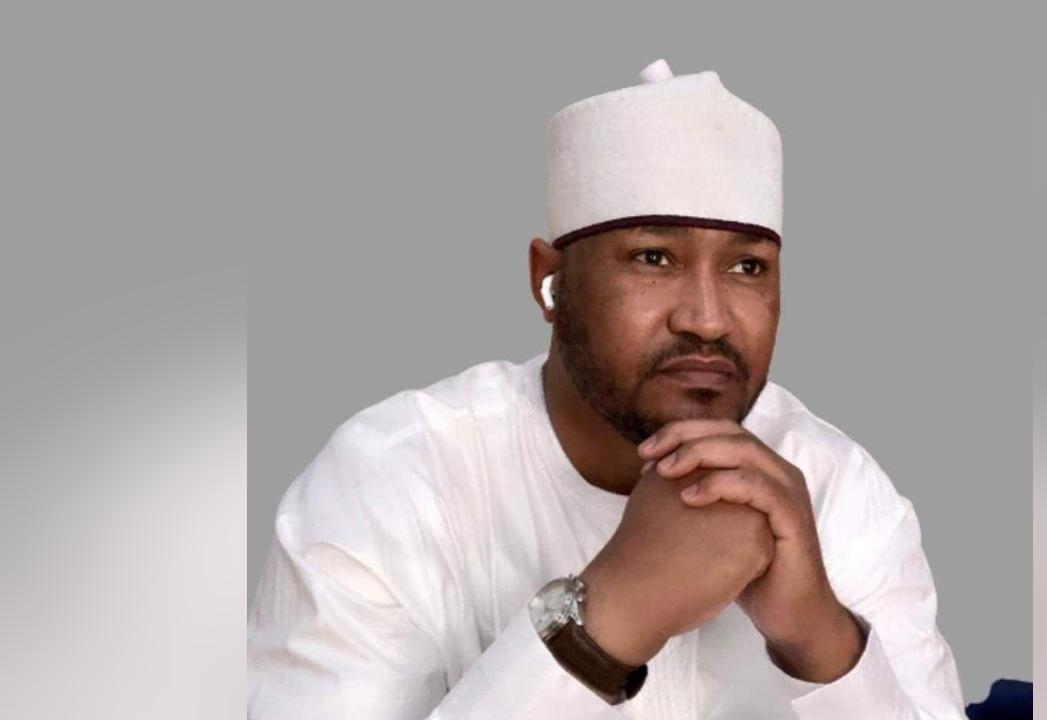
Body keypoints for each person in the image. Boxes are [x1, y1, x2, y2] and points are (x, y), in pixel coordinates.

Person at [248, 58, 966, 719]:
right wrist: (606, 620)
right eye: (653, 258)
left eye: (747, 268)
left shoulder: (837, 489)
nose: (708, 319)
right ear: (549, 281)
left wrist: (821, 640)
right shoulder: (392, 481)